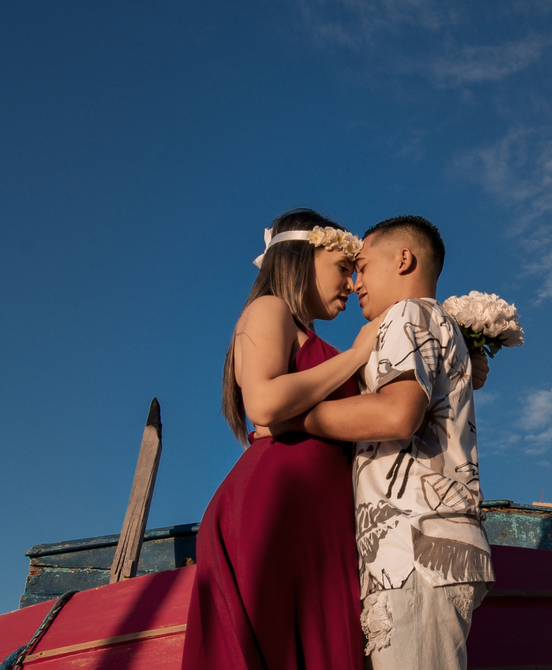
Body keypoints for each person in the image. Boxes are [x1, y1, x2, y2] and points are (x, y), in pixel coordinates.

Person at [271, 216, 494, 670]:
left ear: (404, 259)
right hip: (425, 548)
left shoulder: (407, 314)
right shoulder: (438, 323)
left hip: (415, 547)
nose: (355, 284)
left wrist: (293, 419)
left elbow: (398, 413)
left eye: (364, 267)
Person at [181, 208, 381, 670]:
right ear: (301, 259)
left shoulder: (317, 342)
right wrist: (355, 356)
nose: (351, 284)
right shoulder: (268, 309)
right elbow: (265, 403)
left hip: (324, 517)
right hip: (276, 508)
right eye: (342, 268)